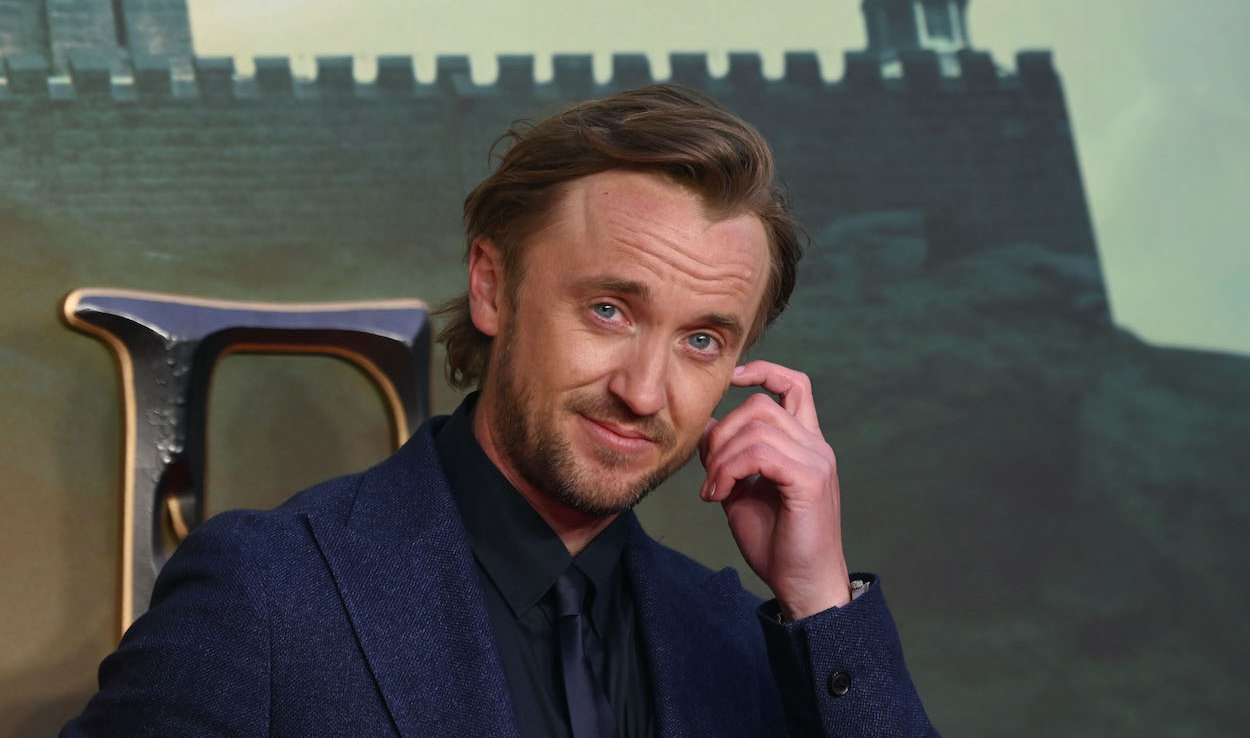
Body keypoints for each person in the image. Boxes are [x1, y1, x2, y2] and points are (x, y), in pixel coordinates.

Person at [62, 86, 938, 737]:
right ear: (493, 284)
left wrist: (822, 599)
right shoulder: (267, 592)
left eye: (702, 341)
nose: (643, 389)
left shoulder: (738, 637)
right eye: (609, 310)